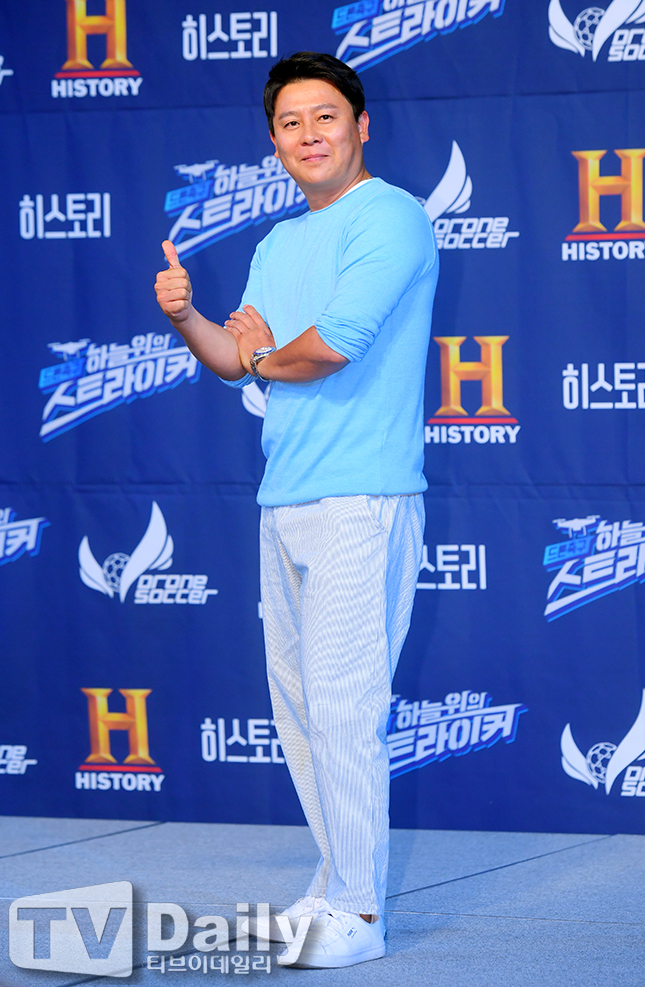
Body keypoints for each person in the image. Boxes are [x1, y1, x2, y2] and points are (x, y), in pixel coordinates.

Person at [155, 51, 439, 969]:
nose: (308, 134)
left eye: (325, 116)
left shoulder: (390, 215)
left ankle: (359, 909)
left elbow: (329, 347)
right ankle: (334, 883)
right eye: (290, 122)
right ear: (274, 142)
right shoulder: (278, 243)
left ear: (361, 126)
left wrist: (264, 353)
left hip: (363, 497)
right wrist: (187, 317)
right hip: (284, 497)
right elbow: (238, 358)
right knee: (303, 710)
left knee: (346, 708)